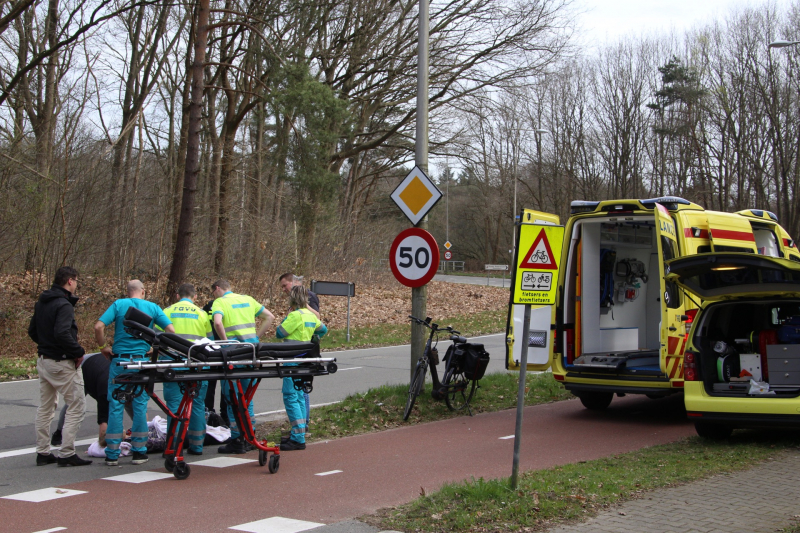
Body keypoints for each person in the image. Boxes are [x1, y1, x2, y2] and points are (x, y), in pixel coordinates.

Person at [94, 280, 174, 466]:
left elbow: (98, 326)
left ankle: (112, 453)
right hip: (142, 361)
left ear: (128, 291)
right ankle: (139, 452)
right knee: (139, 405)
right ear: (143, 292)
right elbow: (170, 331)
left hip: (120, 360)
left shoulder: (119, 304)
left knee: (116, 404)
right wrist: (156, 350)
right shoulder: (153, 307)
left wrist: (102, 347)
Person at [29, 266, 92, 467]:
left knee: (46, 407)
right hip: (62, 361)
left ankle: (43, 451)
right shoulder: (64, 305)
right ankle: (66, 453)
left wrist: (46, 345)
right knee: (77, 405)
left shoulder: (42, 302)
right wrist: (78, 351)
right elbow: (63, 333)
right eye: (76, 281)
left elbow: (32, 330)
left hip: (44, 360)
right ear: (70, 281)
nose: (77, 285)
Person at [210, 279, 274, 453]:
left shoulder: (220, 302)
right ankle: (250, 436)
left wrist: (225, 343)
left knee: (232, 398)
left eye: (213, 292)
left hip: (233, 355)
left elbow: (217, 322)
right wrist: (256, 337)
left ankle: (237, 439)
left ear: (217, 289)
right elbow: (270, 317)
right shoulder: (248, 299)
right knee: (247, 397)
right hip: (251, 352)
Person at [160, 283, 212, 455]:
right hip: (197, 363)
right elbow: (209, 340)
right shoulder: (202, 313)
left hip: (172, 363)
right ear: (195, 297)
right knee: (197, 403)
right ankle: (197, 445)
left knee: (174, 404)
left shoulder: (166, 312)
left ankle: (174, 446)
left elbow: (157, 339)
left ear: (177, 295)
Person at [275, 286, 328, 451]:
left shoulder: (294, 315)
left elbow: (280, 333)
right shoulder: (310, 316)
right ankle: (300, 432)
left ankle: (297, 438)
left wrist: (286, 317)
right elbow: (323, 329)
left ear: (292, 300)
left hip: (291, 360)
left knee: (291, 396)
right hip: (305, 360)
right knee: (299, 395)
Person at [51, 352, 134, 448]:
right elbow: (103, 432)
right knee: (74, 402)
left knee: (130, 403)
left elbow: (140, 413)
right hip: (85, 366)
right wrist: (106, 444)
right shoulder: (106, 394)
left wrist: (142, 431)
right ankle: (58, 433)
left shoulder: (132, 386)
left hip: (103, 365)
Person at [279, 272, 321, 423]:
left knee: (300, 390)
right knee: (298, 389)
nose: (284, 289)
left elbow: (317, 318)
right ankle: (302, 425)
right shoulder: (294, 306)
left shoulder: (309, 296)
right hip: (299, 351)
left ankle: (304, 425)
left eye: (285, 285)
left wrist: (302, 307)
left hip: (305, 351)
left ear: (294, 283)